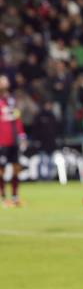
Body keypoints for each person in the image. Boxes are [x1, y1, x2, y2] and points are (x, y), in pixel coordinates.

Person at [0, 75, 26, 207]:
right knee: (1, 170)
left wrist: (22, 136)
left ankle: (15, 197)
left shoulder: (11, 100)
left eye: (6, 81)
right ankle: (3, 198)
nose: (5, 83)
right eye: (3, 81)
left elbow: (17, 119)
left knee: (16, 168)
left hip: (13, 141)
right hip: (1, 141)